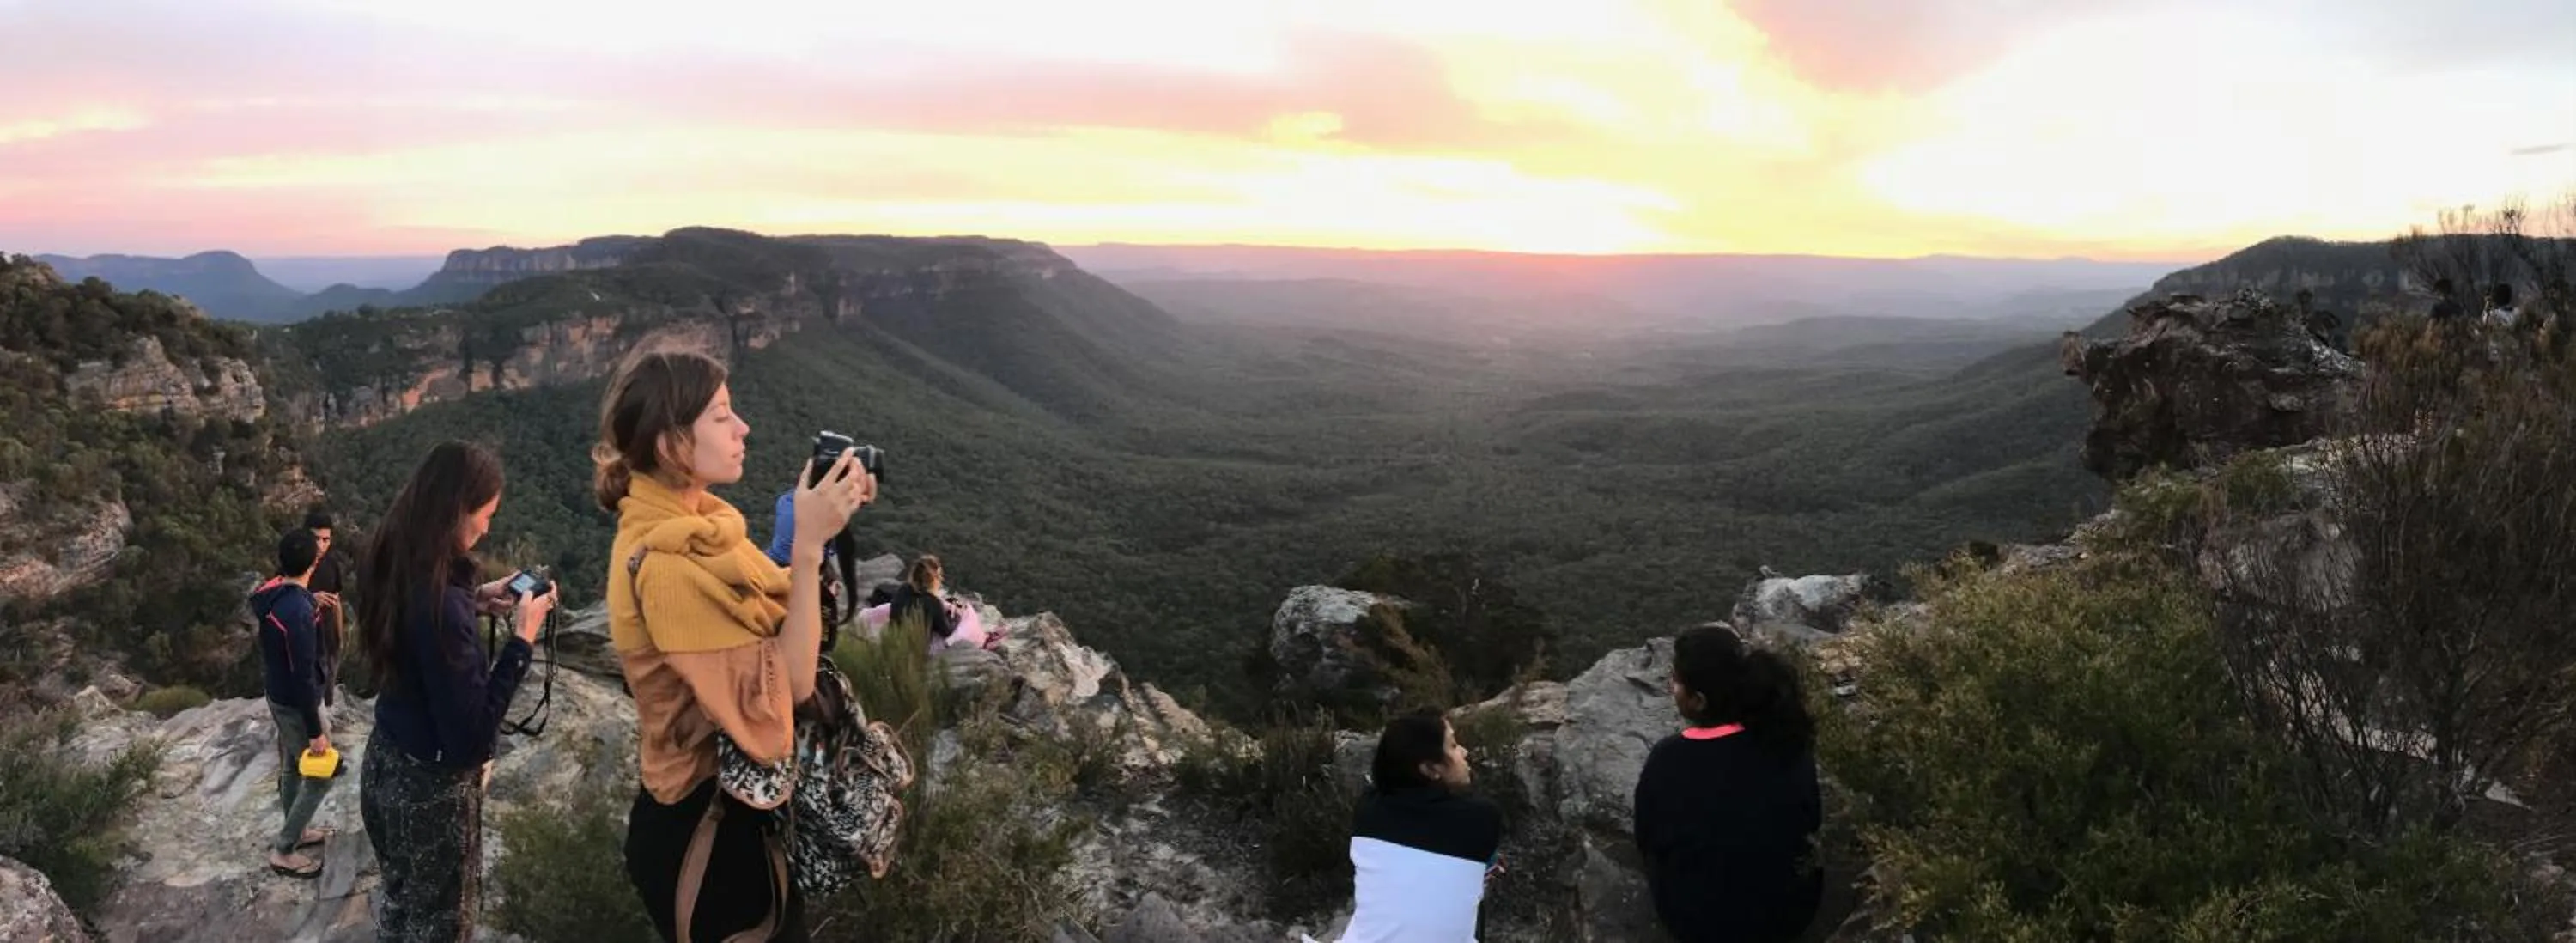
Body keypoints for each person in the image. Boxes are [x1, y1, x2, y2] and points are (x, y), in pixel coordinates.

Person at [597, 345, 872, 943]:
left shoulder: (705, 525)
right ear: (672, 443)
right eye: (722, 414)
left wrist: (816, 537)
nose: (743, 426)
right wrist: (805, 548)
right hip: (703, 830)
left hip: (731, 809)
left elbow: (769, 622)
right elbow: (786, 691)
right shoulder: (669, 569)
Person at [356, 441, 556, 942]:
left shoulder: (390, 552)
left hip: (384, 760)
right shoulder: (441, 605)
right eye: (484, 515)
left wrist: (476, 598)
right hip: (430, 791)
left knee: (401, 900)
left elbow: (420, 632)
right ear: (453, 512)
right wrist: (523, 641)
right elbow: (471, 740)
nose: (487, 528)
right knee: (439, 925)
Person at [1632, 625, 1824, 943]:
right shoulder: (1784, 739)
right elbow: (1810, 819)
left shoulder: (1668, 759)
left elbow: (1647, 837)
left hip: (1697, 922)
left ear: (1698, 701)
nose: (1671, 686)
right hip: (1790, 913)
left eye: (1677, 681)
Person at [1339, 709, 1504, 943]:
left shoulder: (1368, 810)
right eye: (1454, 746)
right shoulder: (1482, 816)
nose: (1465, 752)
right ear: (1430, 769)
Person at [252, 527, 335, 879]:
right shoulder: (299, 615)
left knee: (291, 765)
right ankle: (285, 848)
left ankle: (298, 831)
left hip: (277, 693)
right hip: (298, 701)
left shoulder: (269, 596)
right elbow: (303, 677)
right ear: (314, 563)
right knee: (320, 775)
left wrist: (308, 599)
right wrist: (316, 732)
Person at [304, 509, 354, 702]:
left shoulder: (331, 564)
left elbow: (336, 601)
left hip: (329, 642)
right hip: (307, 644)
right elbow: (282, 597)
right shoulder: (294, 563)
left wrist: (339, 637)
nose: (321, 545)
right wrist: (311, 599)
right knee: (313, 704)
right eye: (316, 539)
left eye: (326, 540)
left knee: (328, 697)